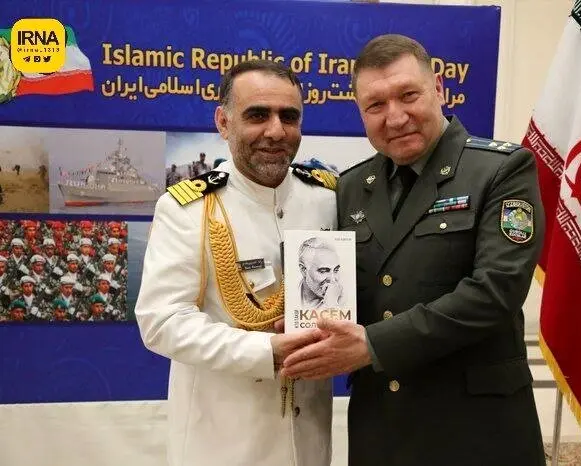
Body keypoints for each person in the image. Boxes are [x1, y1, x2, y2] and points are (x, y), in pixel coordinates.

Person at [281, 34, 546, 465]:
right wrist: (308, 319)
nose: (396, 117)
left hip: (476, 432)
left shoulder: (501, 169)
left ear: (438, 88)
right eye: (376, 105)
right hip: (382, 429)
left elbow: (497, 291)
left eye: (408, 95)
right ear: (360, 112)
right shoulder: (352, 186)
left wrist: (373, 344)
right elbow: (352, 291)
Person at [134, 59, 337, 466]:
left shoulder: (327, 198)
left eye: (289, 116)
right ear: (223, 123)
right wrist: (266, 351)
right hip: (223, 446)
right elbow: (162, 321)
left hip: (310, 443)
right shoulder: (188, 208)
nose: (276, 131)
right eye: (257, 115)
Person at [298, 237, 343, 309]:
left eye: (336, 270)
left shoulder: (344, 298)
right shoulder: (291, 295)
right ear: (303, 270)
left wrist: (331, 304)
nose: (333, 280)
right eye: (323, 271)